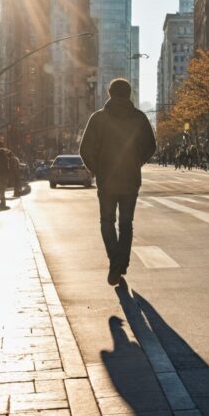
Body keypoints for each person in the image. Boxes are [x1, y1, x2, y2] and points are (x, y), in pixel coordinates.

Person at [80, 77, 157, 286]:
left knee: (107, 222)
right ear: (129, 94)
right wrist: (137, 162)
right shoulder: (140, 118)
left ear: (109, 94)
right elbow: (151, 146)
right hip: (131, 180)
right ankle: (120, 263)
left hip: (107, 181)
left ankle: (116, 262)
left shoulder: (98, 118)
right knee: (126, 224)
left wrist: (98, 170)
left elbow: (84, 150)